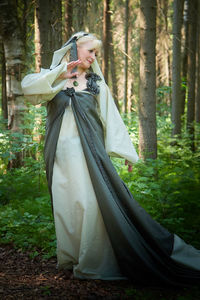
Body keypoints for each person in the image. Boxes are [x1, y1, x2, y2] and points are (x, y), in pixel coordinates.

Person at [21, 32, 200, 287]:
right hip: (59, 153)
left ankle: (92, 261)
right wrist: (59, 73)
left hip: (88, 154)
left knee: (89, 202)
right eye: (90, 51)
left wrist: (126, 153)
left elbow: (111, 119)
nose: (93, 57)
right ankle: (73, 258)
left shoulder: (97, 85)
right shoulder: (53, 80)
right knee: (66, 202)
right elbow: (28, 88)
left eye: (96, 53)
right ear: (74, 49)